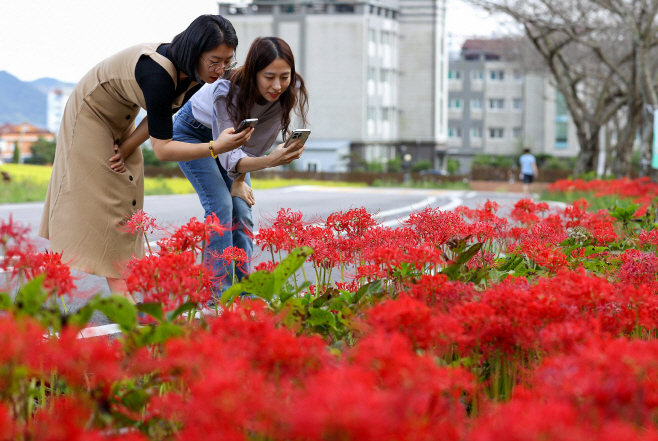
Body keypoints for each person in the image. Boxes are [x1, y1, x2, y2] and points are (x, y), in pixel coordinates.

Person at [38, 15, 253, 301]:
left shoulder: (196, 75)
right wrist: (216, 146)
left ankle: (65, 271)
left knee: (128, 189)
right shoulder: (158, 74)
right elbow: (163, 149)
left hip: (121, 117)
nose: (221, 69)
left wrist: (126, 146)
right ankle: (119, 297)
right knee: (111, 195)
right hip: (89, 113)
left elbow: (158, 116)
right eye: (215, 60)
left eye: (227, 61)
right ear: (194, 52)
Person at [173, 36, 309, 304]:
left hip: (232, 147)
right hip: (193, 133)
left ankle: (244, 289)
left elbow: (251, 146)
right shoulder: (226, 91)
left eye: (285, 76)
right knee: (220, 205)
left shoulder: (284, 94)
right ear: (253, 72)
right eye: (269, 77)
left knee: (242, 209)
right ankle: (217, 293)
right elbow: (229, 153)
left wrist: (240, 180)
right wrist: (270, 162)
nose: (277, 85)